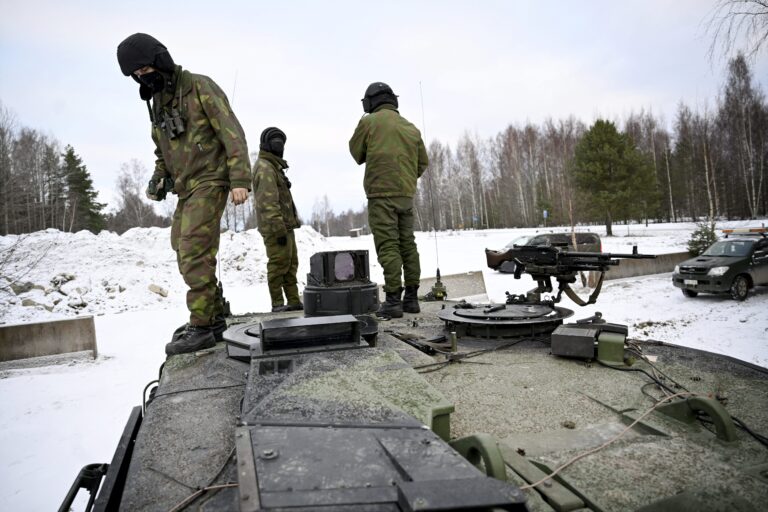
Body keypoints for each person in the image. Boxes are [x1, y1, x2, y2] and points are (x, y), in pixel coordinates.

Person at [116, 33, 251, 355]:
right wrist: (159, 177)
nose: (141, 77)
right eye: (136, 75)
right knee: (181, 244)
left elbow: (232, 132)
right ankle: (215, 315)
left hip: (211, 179)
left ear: (159, 61)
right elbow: (162, 150)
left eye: (144, 70)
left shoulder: (200, 87)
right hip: (186, 187)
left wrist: (240, 179)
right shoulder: (159, 102)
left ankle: (202, 326)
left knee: (192, 248)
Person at [349, 82, 428, 318]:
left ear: (371, 102)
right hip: (405, 195)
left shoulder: (369, 122)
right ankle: (411, 299)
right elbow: (422, 163)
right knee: (407, 243)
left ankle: (393, 300)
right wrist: (403, 178)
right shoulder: (411, 128)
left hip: (380, 195)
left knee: (388, 245)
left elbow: (356, 152)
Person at [252, 127, 302, 312]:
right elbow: (267, 203)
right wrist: (277, 228)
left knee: (290, 265)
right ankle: (278, 304)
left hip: (285, 226)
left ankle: (293, 301)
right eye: (276, 141)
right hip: (276, 228)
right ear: (267, 144)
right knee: (278, 265)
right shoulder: (265, 168)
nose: (279, 145)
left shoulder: (273, 167)